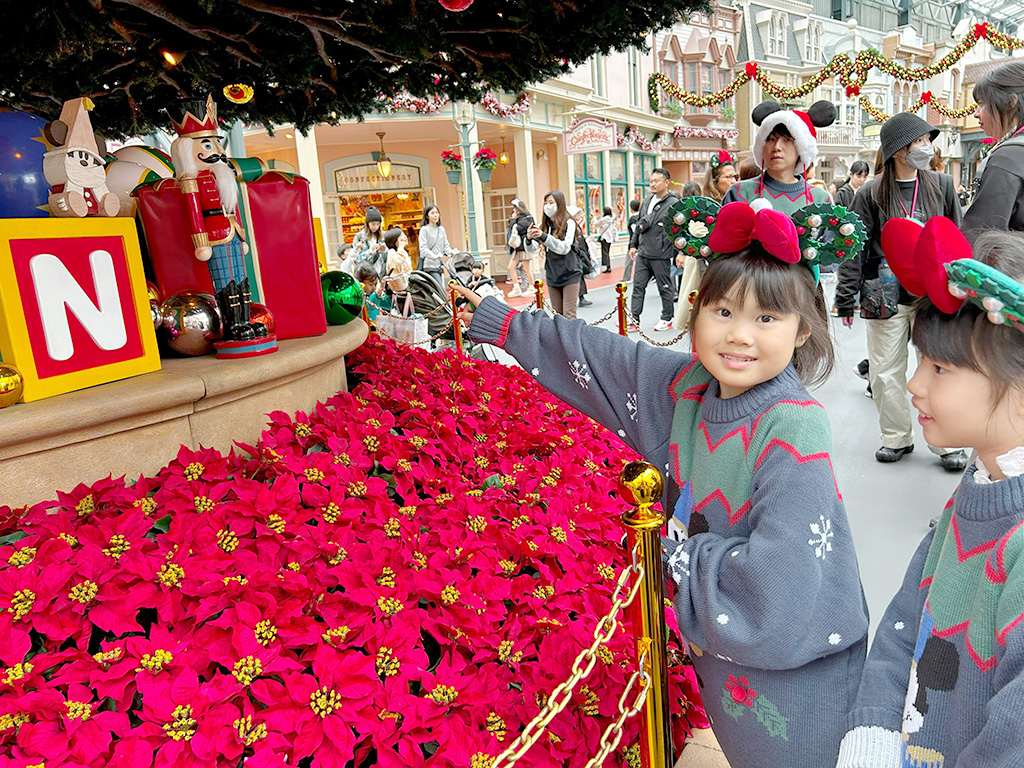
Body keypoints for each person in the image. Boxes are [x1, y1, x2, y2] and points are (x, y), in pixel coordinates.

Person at [454, 202, 869, 768]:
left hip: (799, 679)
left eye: (767, 319)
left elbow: (785, 582)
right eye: (723, 311)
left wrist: (669, 557)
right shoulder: (689, 389)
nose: (740, 336)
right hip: (729, 667)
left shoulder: (793, 424)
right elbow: (604, 357)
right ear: (695, 311)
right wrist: (505, 324)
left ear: (803, 331)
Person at [835, 226, 1024, 768]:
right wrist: (873, 731)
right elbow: (905, 620)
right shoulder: (977, 489)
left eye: (940, 368)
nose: (916, 384)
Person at [835, 112, 967, 470]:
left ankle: (948, 441)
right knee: (884, 370)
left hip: (933, 294)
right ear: (897, 150)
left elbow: (956, 238)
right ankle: (896, 436)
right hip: (885, 293)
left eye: (927, 140)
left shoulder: (941, 184)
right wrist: (845, 297)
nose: (926, 147)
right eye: (918, 141)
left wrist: (962, 291)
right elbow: (854, 247)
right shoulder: (871, 191)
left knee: (940, 367)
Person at [723, 100, 835, 214]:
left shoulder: (820, 199)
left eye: (787, 140)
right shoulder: (740, 193)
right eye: (771, 139)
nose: (777, 147)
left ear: (802, 148)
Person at [961, 59, 1024, 242]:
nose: (976, 114)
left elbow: (980, 235)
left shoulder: (1008, 157)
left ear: (1010, 102)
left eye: (981, 104)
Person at [629, 168, 679, 331]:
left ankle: (667, 317)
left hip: (661, 253)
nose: (653, 184)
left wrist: (679, 254)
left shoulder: (673, 203)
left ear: (666, 183)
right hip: (643, 252)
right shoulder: (647, 200)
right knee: (638, 286)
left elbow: (679, 230)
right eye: (651, 181)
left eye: (657, 181)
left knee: (664, 287)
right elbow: (639, 225)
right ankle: (634, 319)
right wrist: (633, 244)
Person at [527, 191, 582, 319]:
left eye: (551, 203)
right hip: (552, 273)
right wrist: (529, 238)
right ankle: (560, 339)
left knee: (569, 315)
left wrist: (544, 237)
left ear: (559, 204)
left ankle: (571, 339)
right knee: (557, 315)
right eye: (546, 203)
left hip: (570, 272)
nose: (547, 206)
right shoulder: (544, 225)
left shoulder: (569, 222)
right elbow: (532, 248)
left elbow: (564, 248)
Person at [505, 198, 537, 297]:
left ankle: (531, 288)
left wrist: (513, 220)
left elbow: (518, 228)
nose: (513, 212)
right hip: (519, 248)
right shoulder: (524, 219)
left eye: (514, 210)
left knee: (526, 268)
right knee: (511, 267)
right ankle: (516, 288)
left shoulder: (526, 219)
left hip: (523, 247)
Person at [417, 204, 454, 290]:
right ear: (427, 216)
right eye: (432, 213)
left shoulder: (441, 229)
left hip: (439, 266)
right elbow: (423, 248)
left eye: (437, 212)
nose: (435, 215)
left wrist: (452, 252)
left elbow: (445, 246)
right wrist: (434, 256)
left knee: (437, 290)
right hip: (429, 266)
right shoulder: (424, 230)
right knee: (441, 290)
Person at [567, 205, 594, 307]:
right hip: (577, 255)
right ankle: (580, 297)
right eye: (577, 213)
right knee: (578, 276)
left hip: (579, 253)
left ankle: (580, 296)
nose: (579, 215)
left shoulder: (575, 226)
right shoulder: (572, 226)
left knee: (579, 276)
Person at [352, 206, 387, 277]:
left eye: (378, 224)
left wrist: (384, 249)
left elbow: (387, 258)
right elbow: (357, 259)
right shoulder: (359, 237)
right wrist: (370, 251)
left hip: (381, 273)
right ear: (368, 224)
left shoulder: (382, 236)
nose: (375, 227)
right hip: (367, 275)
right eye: (373, 224)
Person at [383, 226, 411, 293]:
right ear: (395, 240)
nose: (405, 237)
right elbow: (396, 263)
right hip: (398, 289)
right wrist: (400, 248)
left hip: (405, 287)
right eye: (401, 236)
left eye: (404, 234)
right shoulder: (392, 252)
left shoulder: (403, 251)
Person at [623, 198, 641, 282]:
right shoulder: (642, 217)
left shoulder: (633, 219)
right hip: (642, 242)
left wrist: (633, 242)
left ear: (631, 208)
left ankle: (627, 277)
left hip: (633, 243)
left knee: (629, 260)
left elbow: (635, 231)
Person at [594, 205, 616, 273]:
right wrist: (614, 237)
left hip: (605, 238)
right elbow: (614, 229)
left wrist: (594, 218)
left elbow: (596, 224)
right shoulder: (611, 219)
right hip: (610, 238)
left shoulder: (604, 219)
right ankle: (608, 266)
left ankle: (608, 267)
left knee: (605, 252)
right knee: (607, 252)